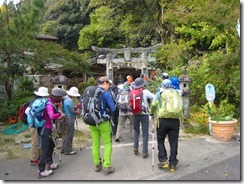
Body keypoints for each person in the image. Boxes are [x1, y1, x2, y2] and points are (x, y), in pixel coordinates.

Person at [149, 79, 181, 172]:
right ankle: (173, 163)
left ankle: (164, 160)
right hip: (175, 121)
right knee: (174, 142)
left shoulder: (159, 93)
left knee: (160, 139)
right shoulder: (176, 93)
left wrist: (151, 114)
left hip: (162, 120)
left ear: (162, 86)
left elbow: (154, 105)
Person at [88, 76, 116, 175]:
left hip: (92, 122)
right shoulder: (105, 94)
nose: (109, 86)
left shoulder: (91, 92)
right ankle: (107, 166)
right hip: (103, 122)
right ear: (105, 83)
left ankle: (97, 164)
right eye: (108, 84)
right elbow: (113, 109)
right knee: (107, 143)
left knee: (95, 144)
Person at [37, 88, 66, 179]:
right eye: (60, 97)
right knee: (45, 149)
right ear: (56, 97)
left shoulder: (49, 101)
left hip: (45, 128)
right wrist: (60, 115)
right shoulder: (49, 104)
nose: (61, 99)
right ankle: (41, 171)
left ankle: (50, 163)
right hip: (45, 129)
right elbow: (52, 116)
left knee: (51, 145)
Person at [132, 77, 154, 159]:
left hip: (135, 114)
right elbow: (154, 97)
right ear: (143, 85)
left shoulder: (132, 92)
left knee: (136, 131)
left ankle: (135, 148)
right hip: (144, 114)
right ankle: (144, 152)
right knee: (145, 133)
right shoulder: (145, 91)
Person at [29, 87, 49, 166]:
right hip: (35, 124)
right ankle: (34, 159)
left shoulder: (34, 100)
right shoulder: (40, 102)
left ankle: (37, 157)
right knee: (35, 141)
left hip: (33, 123)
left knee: (36, 140)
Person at [61, 87, 81, 155]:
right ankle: (68, 150)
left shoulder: (64, 99)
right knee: (69, 134)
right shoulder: (69, 100)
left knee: (65, 134)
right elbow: (72, 111)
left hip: (64, 118)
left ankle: (63, 148)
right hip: (69, 118)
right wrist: (78, 112)